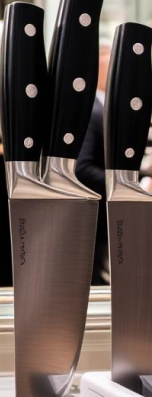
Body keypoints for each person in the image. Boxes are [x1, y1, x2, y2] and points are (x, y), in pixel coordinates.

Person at [76, 43, 112, 285]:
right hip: (94, 208)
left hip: (102, 208)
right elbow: (83, 167)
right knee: (92, 270)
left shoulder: (104, 106)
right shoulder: (91, 109)